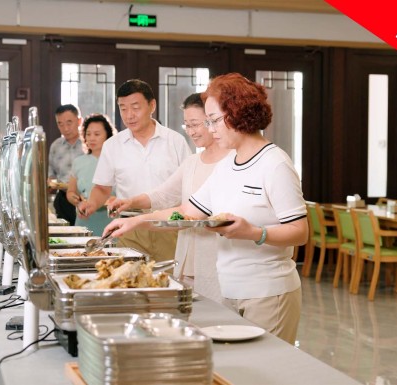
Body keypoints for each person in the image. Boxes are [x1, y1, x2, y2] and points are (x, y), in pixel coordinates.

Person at [104, 73, 308, 344]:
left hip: (268, 291)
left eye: (213, 120)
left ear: (238, 114)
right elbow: (187, 212)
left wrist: (254, 233)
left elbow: (300, 232)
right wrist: (137, 221)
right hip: (230, 288)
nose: (209, 129)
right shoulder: (227, 165)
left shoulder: (275, 164)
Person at [107, 93, 230, 302]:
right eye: (186, 125)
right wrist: (131, 203)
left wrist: (136, 221)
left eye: (195, 124)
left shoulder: (231, 161)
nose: (191, 132)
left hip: (217, 255)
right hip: (187, 253)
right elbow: (164, 194)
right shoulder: (192, 162)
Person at [78, 79, 192, 261]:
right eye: (123, 108)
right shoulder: (112, 145)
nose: (129, 115)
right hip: (129, 226)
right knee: (130, 282)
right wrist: (91, 204)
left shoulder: (175, 141)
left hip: (168, 225)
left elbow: (189, 186)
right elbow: (102, 188)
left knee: (169, 283)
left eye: (135, 107)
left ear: (152, 105)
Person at [66, 113, 117, 235]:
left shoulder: (117, 161)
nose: (91, 138)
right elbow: (71, 192)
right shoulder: (79, 162)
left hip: (111, 222)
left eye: (97, 134)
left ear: (108, 136)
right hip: (84, 221)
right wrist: (78, 202)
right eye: (88, 134)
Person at [48, 104, 84, 225]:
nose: (65, 128)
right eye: (60, 124)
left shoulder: (89, 143)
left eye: (69, 123)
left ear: (79, 121)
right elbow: (51, 175)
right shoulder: (55, 146)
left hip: (85, 197)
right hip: (63, 199)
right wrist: (50, 182)